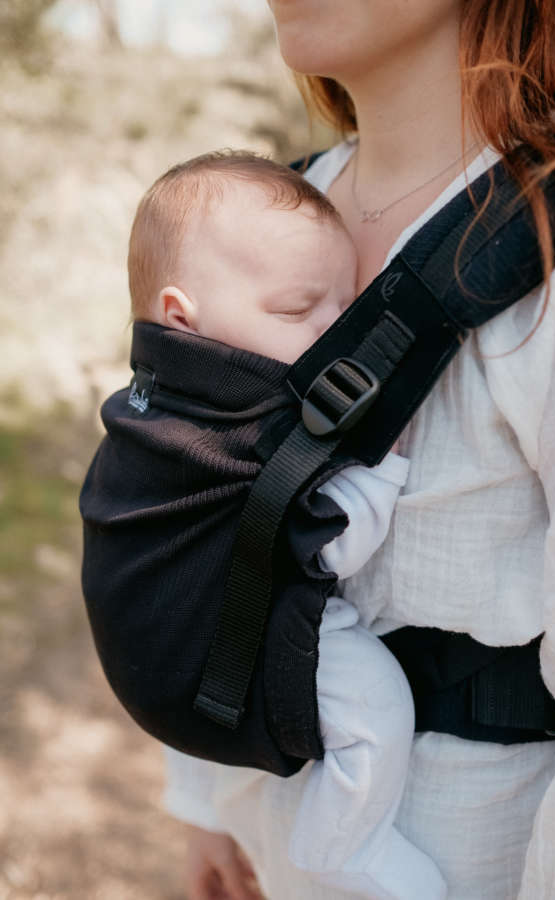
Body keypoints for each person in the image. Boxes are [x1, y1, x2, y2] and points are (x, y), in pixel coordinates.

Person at [163, 1, 555, 899]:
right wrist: (206, 797)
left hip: (481, 854)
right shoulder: (264, 213)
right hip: (269, 832)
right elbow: (206, 525)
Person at [127, 152, 446, 899]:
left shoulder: (159, 400)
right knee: (372, 704)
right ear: (182, 316)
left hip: (184, 648)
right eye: (301, 311)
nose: (334, 334)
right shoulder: (228, 434)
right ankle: (339, 848)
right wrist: (383, 471)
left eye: (346, 308)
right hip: (224, 634)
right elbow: (321, 548)